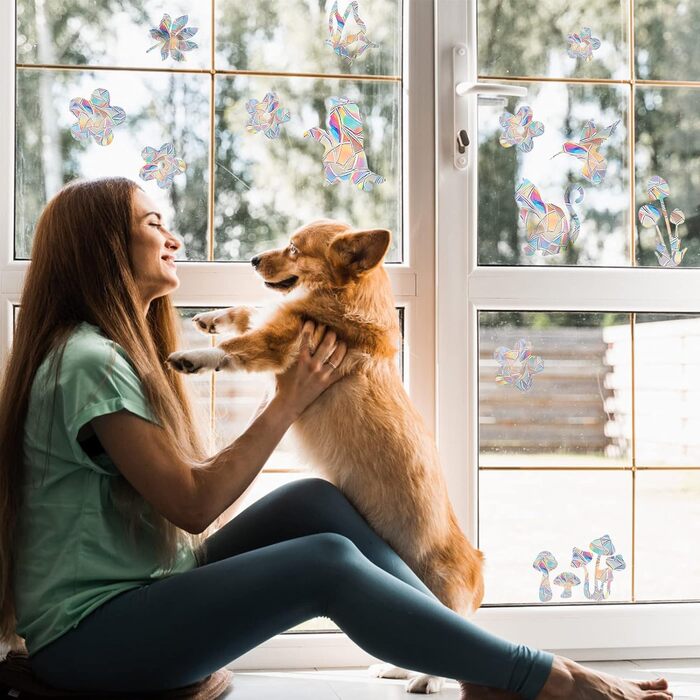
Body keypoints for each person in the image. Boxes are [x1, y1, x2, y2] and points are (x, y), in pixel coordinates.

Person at [0, 177, 672, 700]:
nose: (173, 240)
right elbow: (194, 506)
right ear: (105, 249)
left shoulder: (104, 352)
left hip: (144, 591)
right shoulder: (87, 361)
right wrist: (290, 398)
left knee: (318, 503)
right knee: (322, 560)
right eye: (154, 225)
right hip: (95, 638)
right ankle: (545, 678)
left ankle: (477, 663)